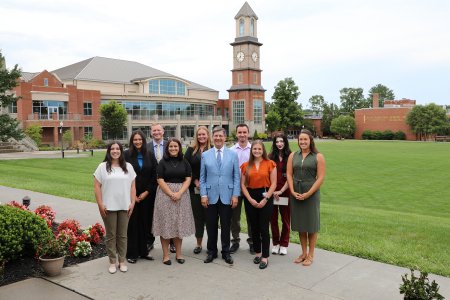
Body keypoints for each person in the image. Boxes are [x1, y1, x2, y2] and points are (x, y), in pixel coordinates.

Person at [94, 142, 136, 274]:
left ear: (121, 151)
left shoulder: (128, 167)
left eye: (117, 149)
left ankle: (122, 261)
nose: (115, 151)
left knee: (123, 235)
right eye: (112, 149)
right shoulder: (102, 167)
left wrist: (133, 202)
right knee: (111, 236)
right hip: (108, 207)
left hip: (124, 206)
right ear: (109, 151)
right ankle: (112, 262)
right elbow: (96, 187)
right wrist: (100, 204)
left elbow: (133, 186)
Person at [200, 126, 240, 265]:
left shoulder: (233, 154)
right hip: (210, 196)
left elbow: (236, 177)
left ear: (225, 137)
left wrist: (235, 195)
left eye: (220, 136)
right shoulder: (205, 155)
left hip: (227, 195)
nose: (218, 138)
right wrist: (203, 195)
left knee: (225, 225)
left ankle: (226, 252)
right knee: (211, 226)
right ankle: (211, 252)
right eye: (215, 136)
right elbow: (202, 177)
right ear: (212, 137)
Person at [152, 138, 195, 265]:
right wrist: (171, 193)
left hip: (182, 195)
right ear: (167, 148)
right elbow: (160, 179)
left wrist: (179, 193)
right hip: (165, 196)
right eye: (171, 146)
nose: (173, 149)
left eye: (175, 146)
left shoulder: (185, 161)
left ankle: (179, 254)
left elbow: (188, 178)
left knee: (178, 225)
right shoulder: (162, 162)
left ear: (179, 148)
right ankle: (166, 255)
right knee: (165, 224)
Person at [286, 129, 326, 266]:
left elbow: (320, 178)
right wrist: (291, 190)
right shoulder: (293, 155)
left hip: (311, 193)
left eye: (305, 139)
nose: (302, 142)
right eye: (300, 140)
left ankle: (311, 254)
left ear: (310, 140)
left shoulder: (318, 156)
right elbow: (289, 174)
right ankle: (303, 253)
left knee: (311, 224)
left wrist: (309, 193)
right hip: (296, 192)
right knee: (301, 224)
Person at [240, 140, 277, 269]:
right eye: (254, 149)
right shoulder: (245, 165)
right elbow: (243, 185)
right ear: (252, 150)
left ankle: (265, 256)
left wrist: (265, 199)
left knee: (263, 228)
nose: (257, 151)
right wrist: (250, 199)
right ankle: (258, 253)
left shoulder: (270, 164)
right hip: (250, 197)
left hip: (265, 196)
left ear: (263, 150)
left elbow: (273, 184)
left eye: (259, 149)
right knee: (254, 227)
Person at [124, 130, 157, 263]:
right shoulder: (126, 155)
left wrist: (146, 192)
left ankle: (144, 251)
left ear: (143, 141)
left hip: (147, 197)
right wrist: (134, 195)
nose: (137, 142)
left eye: (140, 140)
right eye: (135, 140)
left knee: (145, 224)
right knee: (132, 225)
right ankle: (132, 253)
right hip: (130, 196)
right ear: (132, 141)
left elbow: (155, 174)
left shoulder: (149, 154)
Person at [184, 126, 211, 254]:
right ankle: (199, 244)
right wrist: (195, 180)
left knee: (211, 217)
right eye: (199, 135)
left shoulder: (212, 149)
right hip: (195, 189)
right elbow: (186, 167)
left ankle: (211, 244)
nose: (201, 137)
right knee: (198, 217)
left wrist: (206, 183)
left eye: (203, 134)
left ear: (208, 135)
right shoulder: (190, 150)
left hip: (211, 189)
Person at [229, 123, 253, 254]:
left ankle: (252, 241)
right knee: (235, 217)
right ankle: (235, 241)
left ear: (248, 133)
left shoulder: (254, 149)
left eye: (244, 132)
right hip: (235, 189)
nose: (242, 135)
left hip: (250, 188)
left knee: (251, 217)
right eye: (240, 132)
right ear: (236, 134)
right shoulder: (231, 150)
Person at [268, 133, 292, 255]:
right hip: (272, 193)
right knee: (273, 220)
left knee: (286, 220)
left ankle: (284, 244)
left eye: (281, 141)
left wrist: (281, 191)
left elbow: (290, 177)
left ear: (285, 142)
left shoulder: (291, 156)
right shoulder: (271, 156)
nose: (279, 144)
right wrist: (273, 191)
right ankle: (276, 243)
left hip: (285, 193)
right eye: (277, 142)